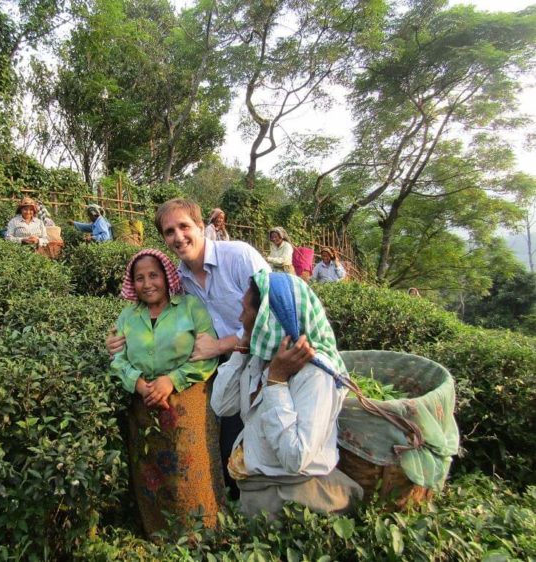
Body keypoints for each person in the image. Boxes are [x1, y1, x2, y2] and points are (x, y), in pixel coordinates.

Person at [107, 198, 313, 497]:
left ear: (201, 226)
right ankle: (239, 511)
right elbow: (163, 319)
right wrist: (118, 339)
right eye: (169, 231)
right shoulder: (180, 280)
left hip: (274, 360)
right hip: (232, 369)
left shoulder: (239, 256)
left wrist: (220, 345)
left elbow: (273, 311)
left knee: (282, 436)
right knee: (232, 445)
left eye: (184, 226)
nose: (178, 237)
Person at [210, 270, 363, 517]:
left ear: (265, 318)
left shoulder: (314, 373)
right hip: (259, 493)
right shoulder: (258, 359)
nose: (240, 317)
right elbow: (221, 406)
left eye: (246, 311)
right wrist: (242, 347)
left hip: (297, 502)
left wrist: (277, 383)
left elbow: (295, 458)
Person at [110, 249, 222, 534]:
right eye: (139, 278)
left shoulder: (191, 308)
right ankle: (157, 535)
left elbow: (208, 354)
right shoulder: (127, 316)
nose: (147, 284)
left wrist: (172, 380)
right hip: (144, 406)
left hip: (187, 402)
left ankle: (203, 534)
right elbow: (117, 358)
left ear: (166, 277)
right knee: (151, 473)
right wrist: (135, 381)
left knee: (190, 470)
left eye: (153, 276)